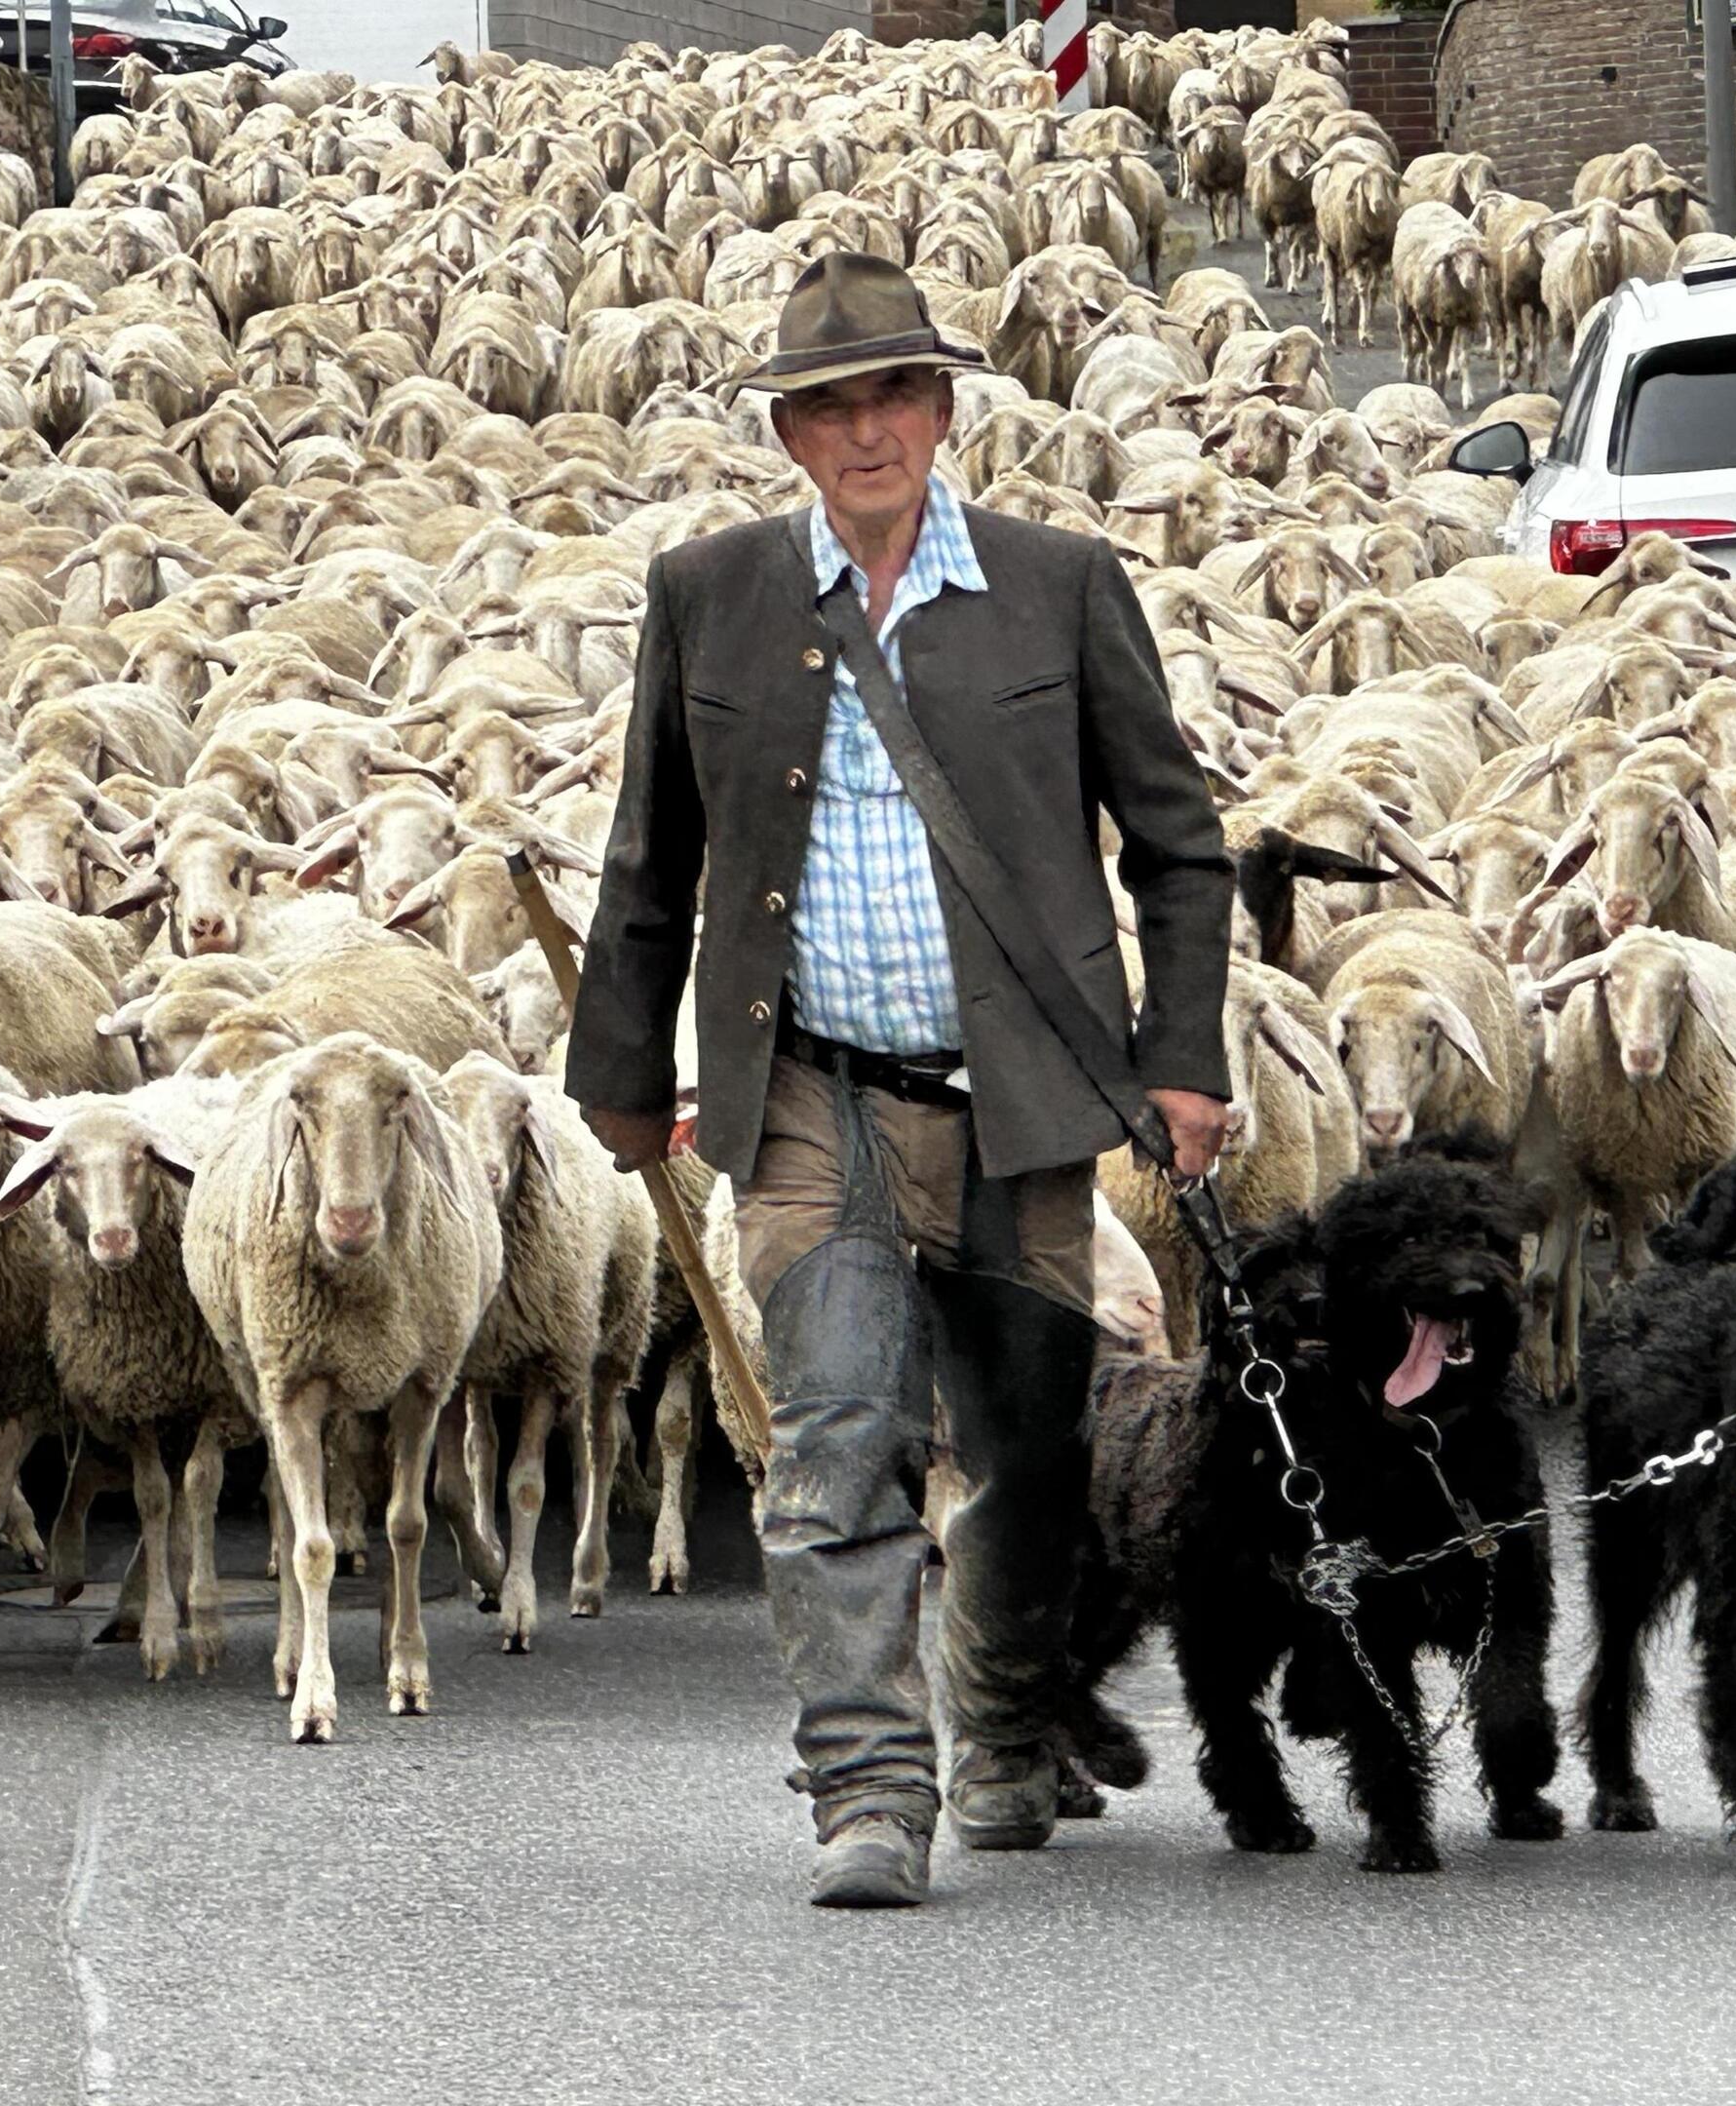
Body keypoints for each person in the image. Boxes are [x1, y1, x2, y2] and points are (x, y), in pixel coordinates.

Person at [563, 253, 1233, 1909]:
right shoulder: (708, 592)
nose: (866, 432)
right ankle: (868, 1788)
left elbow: (1177, 845)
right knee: (835, 1439)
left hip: (1018, 1098)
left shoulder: (1055, 585)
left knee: (1021, 1451)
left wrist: (1188, 1056)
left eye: (893, 397)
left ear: (941, 412)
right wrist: (625, 1070)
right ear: (791, 435)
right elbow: (653, 857)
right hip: (808, 1097)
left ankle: (1004, 1723)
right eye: (829, 406)